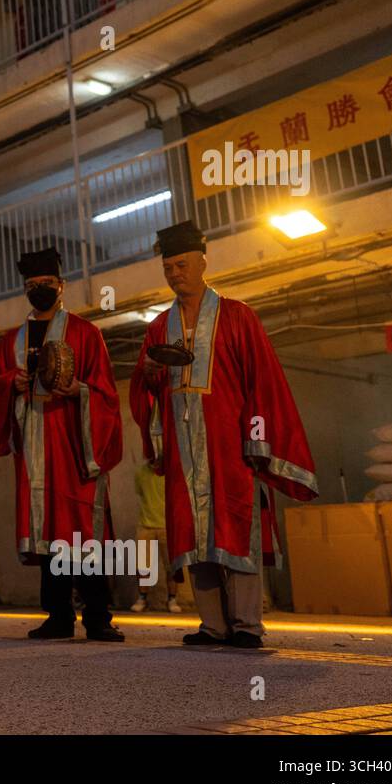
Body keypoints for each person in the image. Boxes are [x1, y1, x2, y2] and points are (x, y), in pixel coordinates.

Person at [130, 221, 317, 648]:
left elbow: (262, 384)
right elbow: (145, 391)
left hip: (231, 446)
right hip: (183, 449)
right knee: (193, 536)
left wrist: (257, 440)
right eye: (168, 267)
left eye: (181, 264)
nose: (175, 273)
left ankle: (247, 625)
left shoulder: (238, 316)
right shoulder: (159, 327)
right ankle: (212, 625)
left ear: (202, 262)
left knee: (236, 527)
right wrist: (148, 374)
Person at [0, 247, 125, 642]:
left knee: (82, 530)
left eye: (47, 284)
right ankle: (59, 615)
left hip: (74, 444)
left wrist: (77, 390)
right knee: (49, 531)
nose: (40, 290)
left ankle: (98, 616)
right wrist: (9, 386)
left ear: (61, 286)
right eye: (32, 286)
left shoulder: (86, 333)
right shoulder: (11, 340)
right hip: (34, 444)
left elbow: (104, 392)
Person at [131, 458, 180, 613]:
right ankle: (142, 598)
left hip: (168, 526)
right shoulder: (140, 473)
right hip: (145, 525)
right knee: (142, 566)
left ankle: (172, 599)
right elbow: (140, 493)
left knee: (172, 566)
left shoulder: (171, 473)